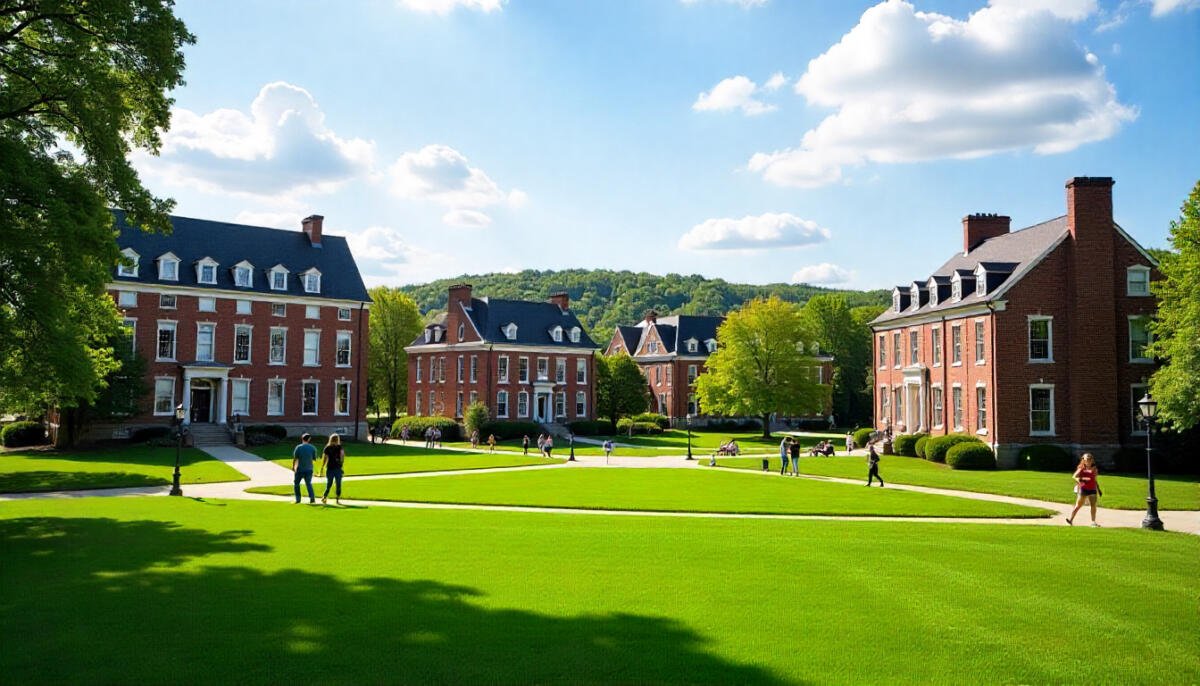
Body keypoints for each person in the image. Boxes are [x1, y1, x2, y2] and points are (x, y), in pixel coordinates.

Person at [1067, 453, 1103, 526]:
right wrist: (1081, 479)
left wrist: (1098, 489)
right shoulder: (1081, 468)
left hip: (1092, 489)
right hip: (1083, 489)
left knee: (1093, 505)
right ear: (1083, 460)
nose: (1089, 461)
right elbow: (1074, 477)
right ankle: (1070, 520)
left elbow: (1095, 479)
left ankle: (1093, 522)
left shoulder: (1094, 469)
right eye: (1087, 459)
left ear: (1092, 460)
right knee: (1078, 506)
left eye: (1090, 459)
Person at [319, 434, 346, 505]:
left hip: (330, 467)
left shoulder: (327, 447)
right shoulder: (339, 447)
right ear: (337, 439)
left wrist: (322, 467)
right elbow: (342, 456)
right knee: (338, 484)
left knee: (329, 484)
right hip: (337, 468)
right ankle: (337, 498)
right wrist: (341, 464)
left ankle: (324, 497)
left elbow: (324, 458)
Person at [292, 433, 318, 504]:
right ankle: (312, 498)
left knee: (296, 484)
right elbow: (314, 459)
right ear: (309, 439)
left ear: (302, 438)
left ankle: (298, 499)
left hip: (300, 469)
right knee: (308, 484)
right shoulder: (312, 448)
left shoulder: (298, 447)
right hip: (309, 469)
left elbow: (296, 459)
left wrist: (294, 467)